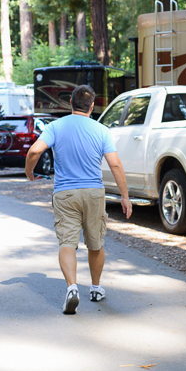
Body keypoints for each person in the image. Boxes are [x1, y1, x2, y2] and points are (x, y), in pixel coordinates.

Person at [25, 84, 132, 315]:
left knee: (67, 243)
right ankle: (95, 288)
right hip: (94, 192)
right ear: (92, 106)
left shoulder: (56, 126)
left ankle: (72, 288)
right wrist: (125, 196)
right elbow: (115, 164)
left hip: (65, 193)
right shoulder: (102, 130)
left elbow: (34, 151)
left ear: (70, 103)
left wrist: (29, 172)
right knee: (96, 242)